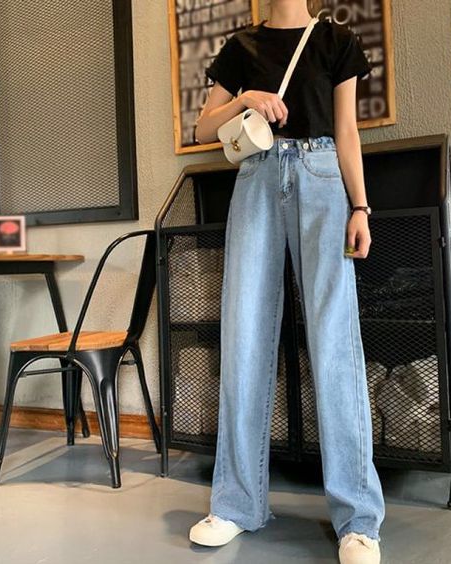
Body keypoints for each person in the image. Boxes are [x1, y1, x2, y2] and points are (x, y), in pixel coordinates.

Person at [190, 2, 386, 563]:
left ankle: (358, 520)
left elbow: (346, 130)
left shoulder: (335, 40)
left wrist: (360, 206)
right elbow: (203, 127)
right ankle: (236, 504)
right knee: (243, 336)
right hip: (257, 177)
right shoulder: (241, 46)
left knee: (335, 343)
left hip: (323, 177)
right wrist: (245, 99)